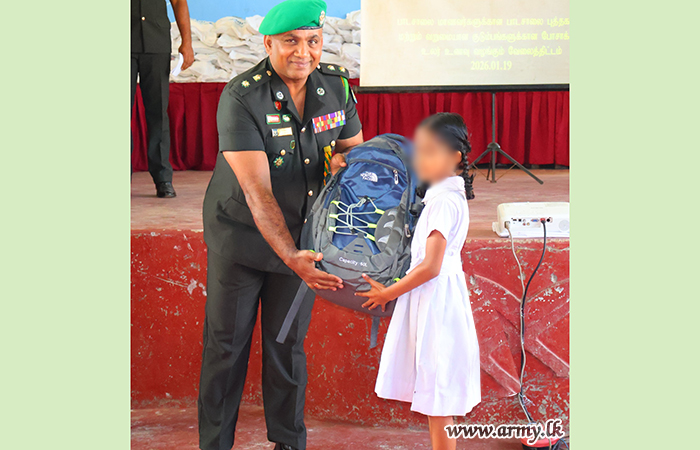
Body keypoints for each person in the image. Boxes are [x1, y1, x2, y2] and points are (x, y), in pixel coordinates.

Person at [198, 0, 364, 449]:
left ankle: (289, 443)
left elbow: (352, 150)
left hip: (303, 237)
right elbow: (257, 191)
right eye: (291, 41)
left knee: (286, 346)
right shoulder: (242, 97)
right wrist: (291, 256)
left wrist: (347, 165)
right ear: (269, 43)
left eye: (313, 40)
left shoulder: (336, 87)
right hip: (243, 238)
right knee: (226, 348)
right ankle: (215, 444)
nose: (303, 52)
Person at [356, 113, 480, 450]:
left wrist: (388, 293)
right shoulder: (443, 197)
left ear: (455, 157)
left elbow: (431, 266)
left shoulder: (443, 202)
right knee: (434, 392)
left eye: (431, 152)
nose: (421, 160)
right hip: (435, 298)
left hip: (436, 302)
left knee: (438, 397)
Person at [131, 0, 194, 198]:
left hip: (156, 43)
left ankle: (163, 179)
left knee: (158, 112)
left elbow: (178, 2)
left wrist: (187, 42)